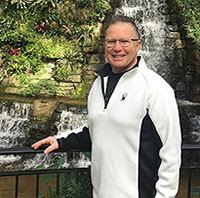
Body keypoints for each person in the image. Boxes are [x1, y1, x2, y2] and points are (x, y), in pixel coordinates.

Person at [32, 15, 182, 198]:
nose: (117, 48)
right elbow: (100, 128)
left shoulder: (155, 88)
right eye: (111, 41)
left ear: (138, 44)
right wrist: (61, 141)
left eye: (125, 41)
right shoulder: (98, 84)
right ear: (104, 45)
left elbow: (171, 150)